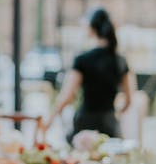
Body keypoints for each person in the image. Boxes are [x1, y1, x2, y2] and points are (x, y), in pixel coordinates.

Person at [44, 8, 133, 141]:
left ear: (92, 28)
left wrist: (48, 121)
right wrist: (114, 114)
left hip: (85, 127)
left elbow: (67, 96)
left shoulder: (82, 60)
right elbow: (128, 100)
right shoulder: (120, 61)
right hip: (110, 127)